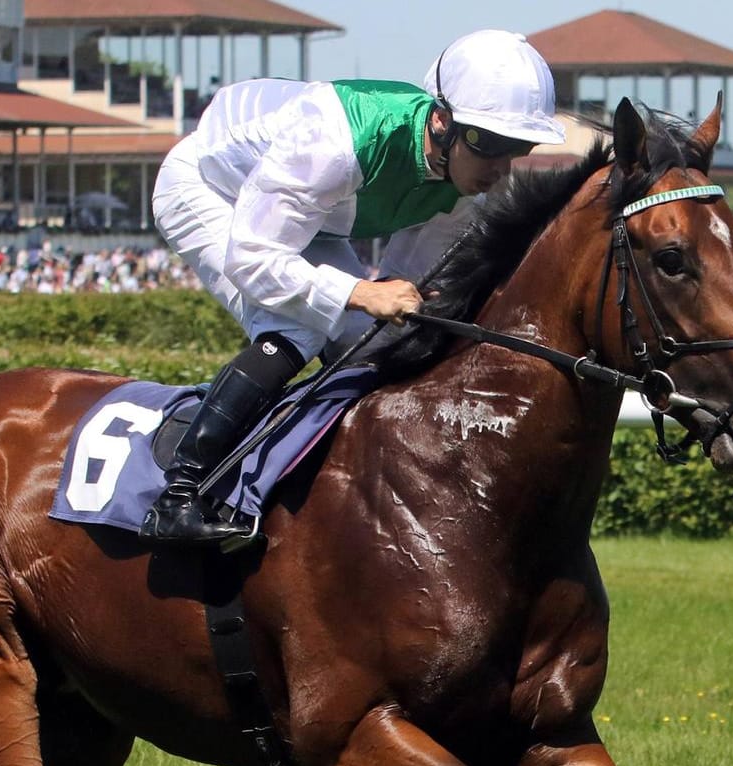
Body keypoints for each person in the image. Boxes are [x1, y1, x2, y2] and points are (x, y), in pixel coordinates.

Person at [141, 29, 565, 544]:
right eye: (489, 143)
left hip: (307, 218)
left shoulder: (461, 191)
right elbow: (253, 258)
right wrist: (359, 293)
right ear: (442, 120)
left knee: (379, 343)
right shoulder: (334, 142)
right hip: (209, 190)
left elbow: (410, 292)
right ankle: (178, 495)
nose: (500, 168)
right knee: (297, 326)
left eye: (517, 148)